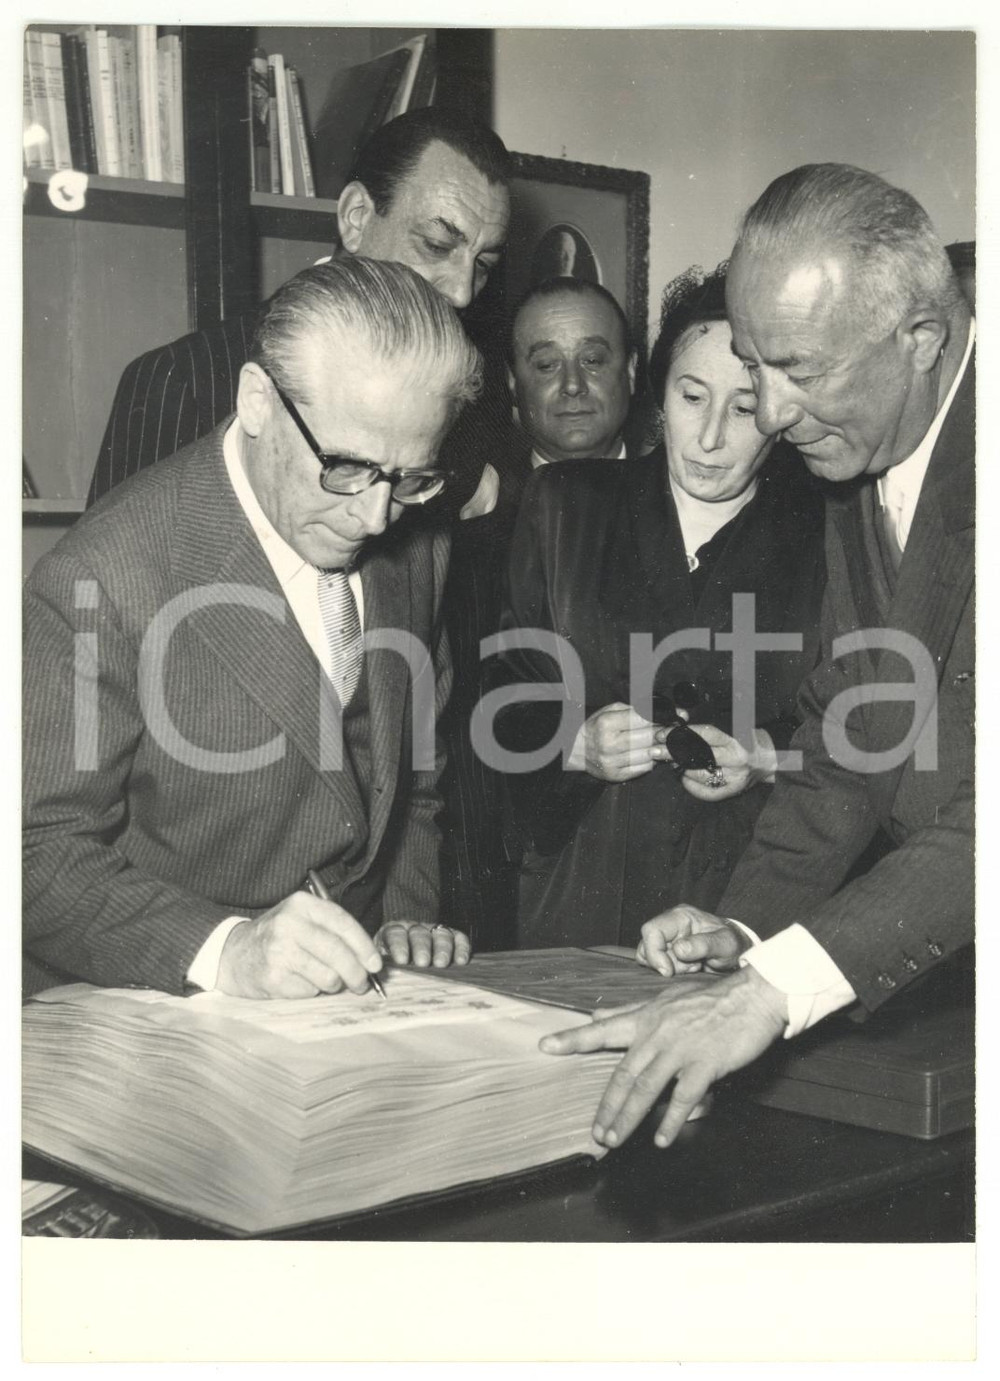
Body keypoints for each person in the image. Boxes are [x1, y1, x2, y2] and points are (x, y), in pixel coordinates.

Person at [540, 164, 975, 1152]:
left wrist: (772, 988)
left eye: (800, 371)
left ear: (920, 338)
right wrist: (743, 935)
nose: (770, 414)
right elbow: (854, 740)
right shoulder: (858, 451)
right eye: (751, 365)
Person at [86, 105, 523, 953]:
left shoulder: (461, 406)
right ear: (356, 217)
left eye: (485, 262)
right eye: (438, 244)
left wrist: (407, 911)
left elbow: (409, 731)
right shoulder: (185, 380)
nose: (463, 291)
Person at [23, 258, 481, 999]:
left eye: (410, 477)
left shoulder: (419, 541)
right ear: (258, 400)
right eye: (346, 468)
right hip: (151, 1002)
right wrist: (226, 950)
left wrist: (404, 919)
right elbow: (33, 849)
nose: (375, 517)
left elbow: (414, 775)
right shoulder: (105, 574)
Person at [492, 265, 826, 946]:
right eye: (691, 396)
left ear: (780, 412)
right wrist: (573, 744)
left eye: (743, 408)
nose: (709, 437)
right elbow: (502, 697)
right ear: (658, 393)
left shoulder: (824, 532)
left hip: (746, 902)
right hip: (584, 886)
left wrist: (766, 754)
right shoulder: (564, 505)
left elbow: (863, 727)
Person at [507, 277, 638, 469]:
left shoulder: (674, 486)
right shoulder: (482, 489)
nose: (573, 385)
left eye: (592, 360)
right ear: (512, 380)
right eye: (546, 365)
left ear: (630, 370)